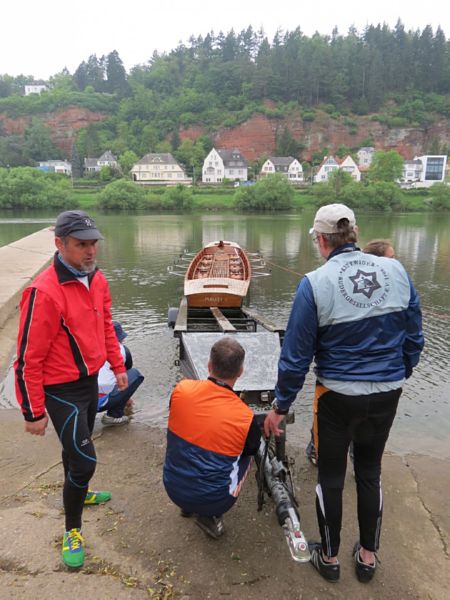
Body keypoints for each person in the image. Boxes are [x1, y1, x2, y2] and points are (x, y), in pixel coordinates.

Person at [264, 204, 423, 583]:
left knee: (331, 478)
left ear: (320, 240)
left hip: (336, 397)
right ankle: (368, 557)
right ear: (355, 232)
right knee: (369, 472)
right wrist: (398, 373)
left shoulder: (314, 283)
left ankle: (330, 557)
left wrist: (280, 407)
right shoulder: (397, 271)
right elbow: (414, 337)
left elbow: (295, 358)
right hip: (386, 393)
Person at [14, 210, 128, 570]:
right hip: (60, 390)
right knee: (85, 459)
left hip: (89, 382)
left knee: (74, 451)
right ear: (60, 244)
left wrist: (118, 365)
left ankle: (78, 491)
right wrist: (32, 411)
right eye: (81, 245)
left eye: (93, 243)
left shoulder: (97, 281)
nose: (91, 251)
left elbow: (106, 327)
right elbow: (27, 358)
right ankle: (72, 529)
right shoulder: (43, 292)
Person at [305, 237, 397, 466]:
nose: (395, 263)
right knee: (328, 422)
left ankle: (352, 453)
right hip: (341, 379)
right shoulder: (344, 287)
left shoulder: (388, 289)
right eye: (391, 258)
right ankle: (317, 449)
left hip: (368, 378)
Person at [163, 337, 261, 539]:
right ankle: (212, 516)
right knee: (249, 456)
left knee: (186, 438)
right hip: (215, 500)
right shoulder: (246, 416)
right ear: (240, 372)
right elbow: (249, 450)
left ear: (208, 365)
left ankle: (187, 506)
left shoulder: (181, 389)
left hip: (172, 488)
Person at [97, 321, 144, 426]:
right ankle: (114, 415)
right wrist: (126, 397)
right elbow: (125, 376)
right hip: (101, 402)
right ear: (120, 338)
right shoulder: (123, 350)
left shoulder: (90, 346)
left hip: (82, 402)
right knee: (135, 374)